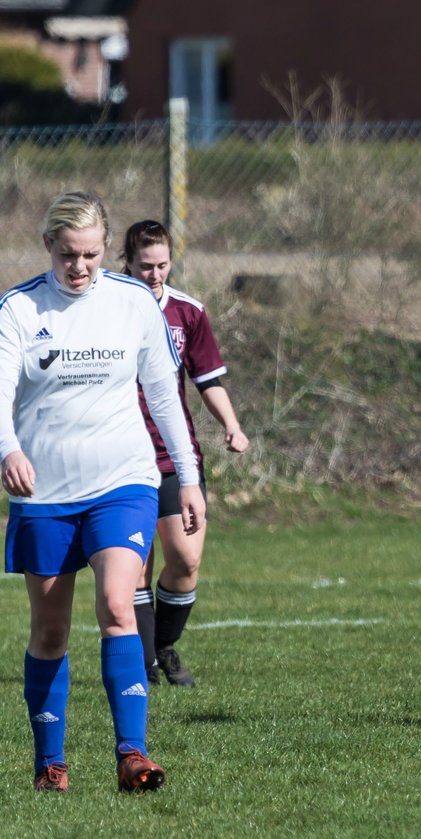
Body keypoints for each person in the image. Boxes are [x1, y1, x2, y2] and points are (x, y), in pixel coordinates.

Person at [0, 191, 206, 792]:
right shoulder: (17, 309)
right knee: (50, 631)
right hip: (45, 491)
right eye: (69, 255)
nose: (81, 267)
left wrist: (188, 478)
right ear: (48, 248)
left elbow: (164, 395)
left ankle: (133, 754)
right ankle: (49, 764)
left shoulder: (132, 301)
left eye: (91, 254)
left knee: (119, 604)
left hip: (124, 480)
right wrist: (8, 449)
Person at [119, 220, 249, 688]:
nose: (155, 274)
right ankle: (147, 666)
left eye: (163, 265)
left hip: (174, 455)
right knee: (135, 565)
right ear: (127, 262)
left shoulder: (187, 312)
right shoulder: (108, 310)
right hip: (122, 456)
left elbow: (207, 379)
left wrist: (231, 426)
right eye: (145, 265)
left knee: (186, 559)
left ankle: (162, 646)